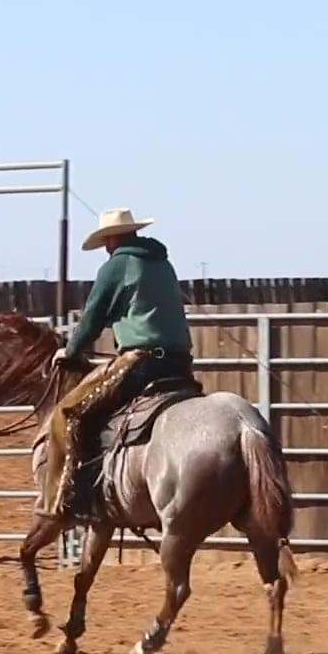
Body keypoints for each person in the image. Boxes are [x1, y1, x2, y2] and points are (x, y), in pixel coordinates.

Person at [42, 206, 196, 523]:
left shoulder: (117, 266)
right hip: (180, 364)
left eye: (105, 242)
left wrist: (70, 351)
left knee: (67, 415)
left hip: (141, 362)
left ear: (111, 238)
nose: (106, 248)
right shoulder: (162, 262)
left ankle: (68, 497)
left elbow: (92, 318)